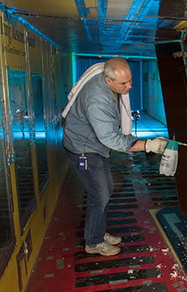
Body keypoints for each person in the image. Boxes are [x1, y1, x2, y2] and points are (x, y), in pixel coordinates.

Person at [62, 56, 167, 256]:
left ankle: (98, 232)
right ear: (108, 80)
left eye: (130, 80)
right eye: (123, 83)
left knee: (105, 190)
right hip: (83, 151)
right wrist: (147, 145)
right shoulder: (97, 100)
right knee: (99, 194)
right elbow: (111, 138)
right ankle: (93, 242)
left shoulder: (104, 74)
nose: (129, 86)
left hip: (94, 146)